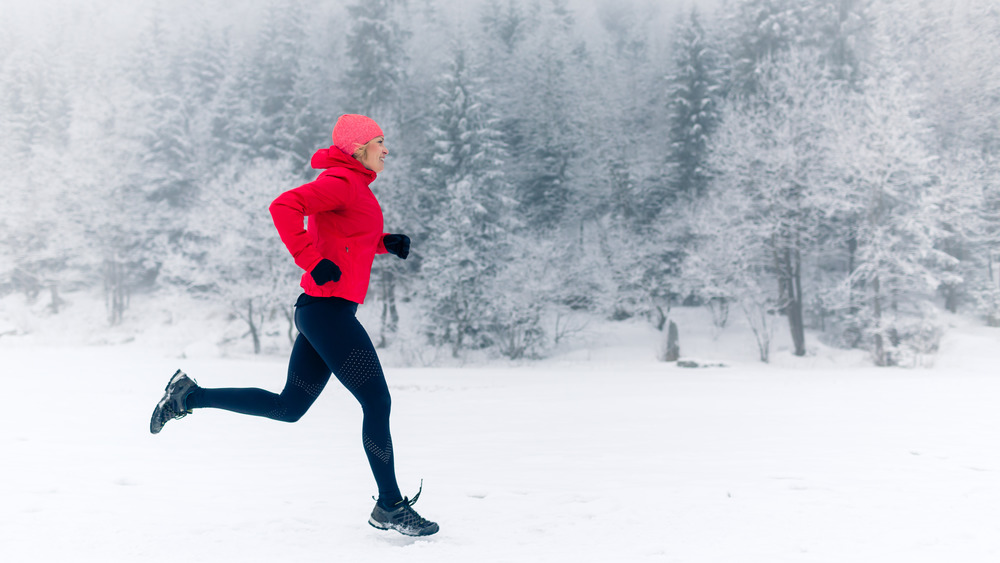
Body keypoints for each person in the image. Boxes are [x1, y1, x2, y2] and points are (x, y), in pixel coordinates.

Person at [149, 114, 438, 537]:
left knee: (289, 408)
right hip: (327, 312)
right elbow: (284, 206)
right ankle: (390, 504)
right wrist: (308, 259)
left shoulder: (353, 186)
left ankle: (189, 396)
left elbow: (345, 236)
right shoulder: (340, 181)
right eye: (379, 141)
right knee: (377, 403)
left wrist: (383, 242)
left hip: (324, 312)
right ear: (358, 149)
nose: (386, 148)